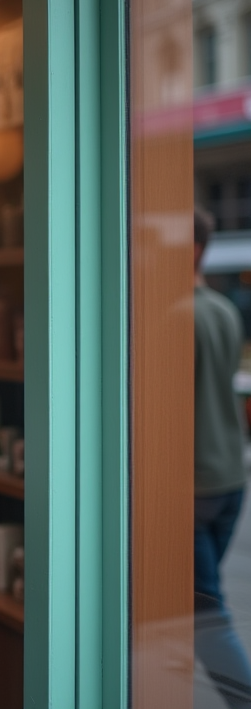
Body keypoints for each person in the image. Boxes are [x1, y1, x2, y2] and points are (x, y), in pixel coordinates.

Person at [193, 207, 251, 708]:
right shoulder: (224, 310)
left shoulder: (174, 315)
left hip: (196, 487)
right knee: (193, 606)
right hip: (231, 477)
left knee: (203, 616)